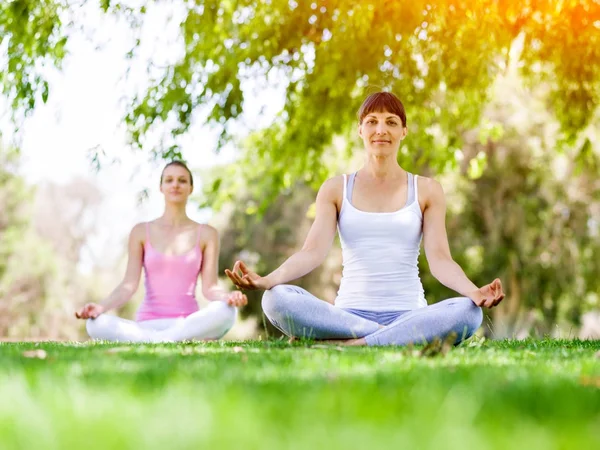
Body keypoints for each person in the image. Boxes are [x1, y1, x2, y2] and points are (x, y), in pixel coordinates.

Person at [226, 92, 504, 346]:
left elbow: (441, 260)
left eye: (391, 122)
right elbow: (311, 253)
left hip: (409, 313)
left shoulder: (427, 190)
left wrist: (474, 292)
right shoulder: (336, 188)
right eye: (372, 121)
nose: (381, 130)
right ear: (360, 130)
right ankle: (388, 337)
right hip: (349, 316)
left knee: (469, 313)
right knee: (276, 299)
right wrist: (268, 280)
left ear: (403, 131)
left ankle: (348, 344)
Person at [76, 161, 247, 342]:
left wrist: (227, 297)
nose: (175, 184)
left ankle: (159, 339)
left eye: (182, 180)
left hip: (187, 324)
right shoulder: (141, 231)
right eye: (169, 180)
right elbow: (128, 285)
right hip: (146, 326)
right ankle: (165, 339)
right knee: (94, 324)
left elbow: (210, 287)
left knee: (227, 311)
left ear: (190, 188)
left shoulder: (207, 234)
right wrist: (101, 307)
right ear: (161, 187)